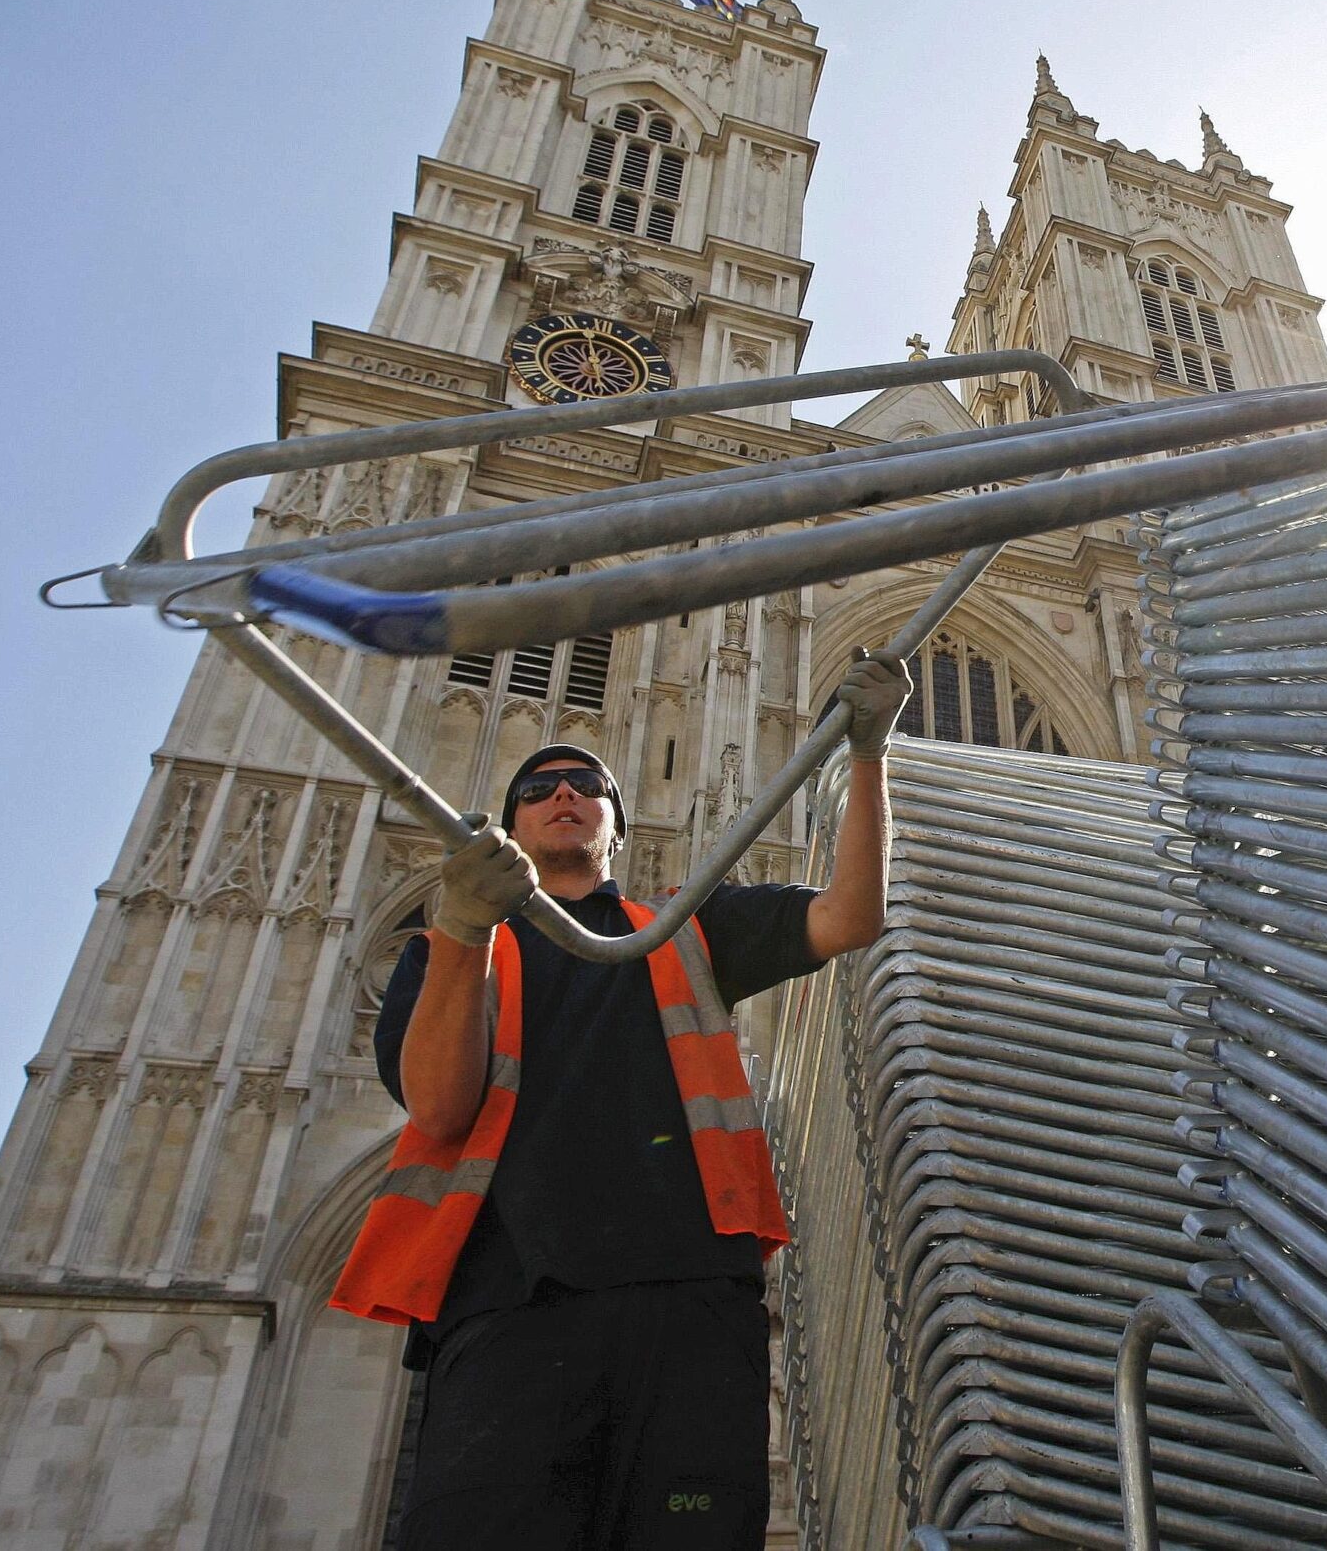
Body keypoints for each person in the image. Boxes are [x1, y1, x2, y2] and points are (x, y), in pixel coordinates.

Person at [330, 654, 912, 1551]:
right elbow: (439, 1110)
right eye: (540, 787)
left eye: (586, 784)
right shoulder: (452, 951)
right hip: (512, 1302)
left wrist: (868, 756)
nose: (564, 794)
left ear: (615, 822)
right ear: (512, 820)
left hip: (690, 1306)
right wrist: (458, 924)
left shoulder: (683, 926)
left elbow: (850, 918)